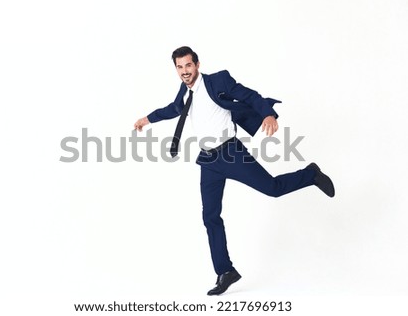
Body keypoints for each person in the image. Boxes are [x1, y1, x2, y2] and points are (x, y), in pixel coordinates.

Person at [134, 46, 334, 296]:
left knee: (272, 188)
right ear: (175, 68)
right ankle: (225, 271)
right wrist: (148, 119)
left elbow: (249, 96)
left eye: (188, 65)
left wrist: (269, 114)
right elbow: (173, 109)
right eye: (179, 67)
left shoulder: (218, 80)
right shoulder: (184, 92)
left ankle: (310, 174)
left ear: (197, 64)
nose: (184, 71)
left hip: (231, 153)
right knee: (210, 217)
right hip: (208, 160)